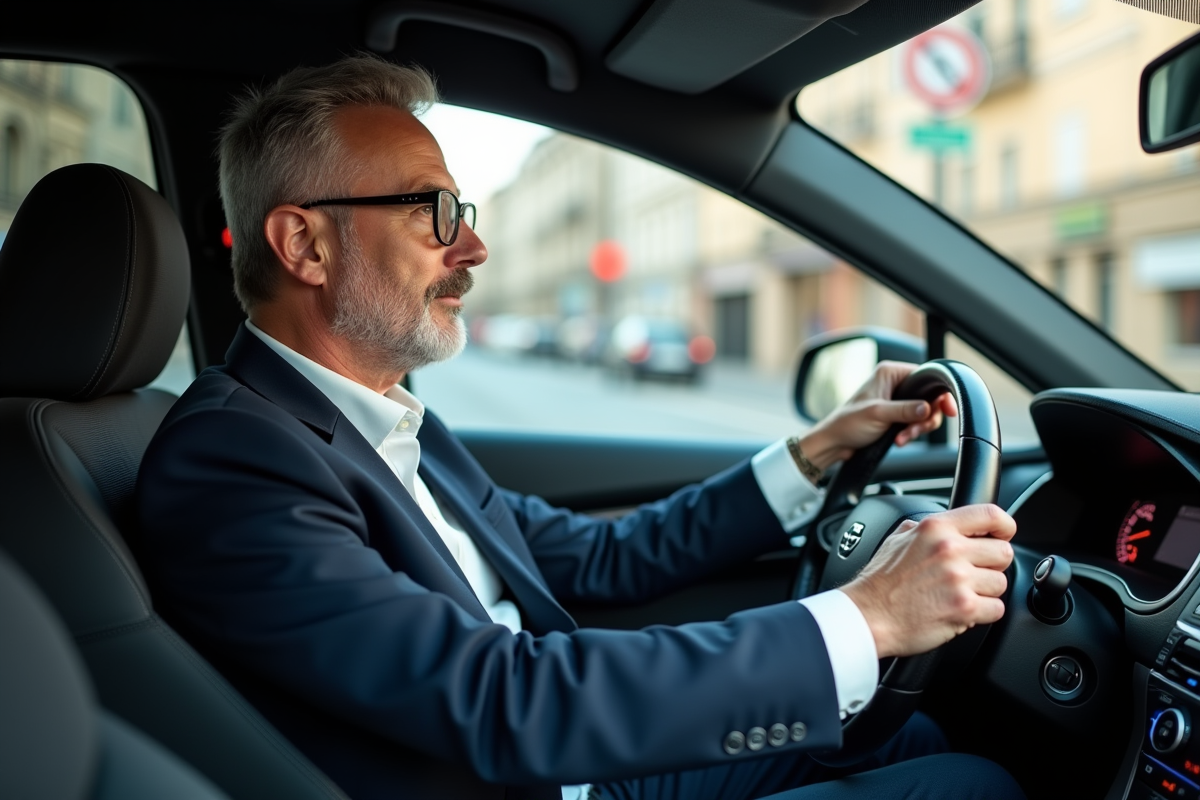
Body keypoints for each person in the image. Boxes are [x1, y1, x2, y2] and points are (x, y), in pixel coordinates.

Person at [135, 55, 1022, 800]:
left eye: (464, 215)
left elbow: (603, 559)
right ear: (306, 246)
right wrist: (867, 616)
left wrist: (819, 447)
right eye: (431, 211)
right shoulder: (233, 460)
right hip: (535, 773)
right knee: (971, 787)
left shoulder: (392, 422)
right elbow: (495, 698)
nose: (472, 249)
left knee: (913, 743)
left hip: (574, 762)